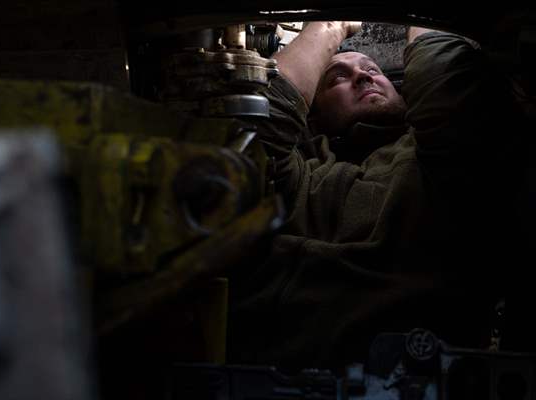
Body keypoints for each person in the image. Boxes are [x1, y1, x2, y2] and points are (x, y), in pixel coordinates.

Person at [227, 21, 530, 372]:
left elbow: (442, 75)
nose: (363, 76)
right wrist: (330, 27)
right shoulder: (303, 177)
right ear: (313, 114)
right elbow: (254, 133)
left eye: (372, 69)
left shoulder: (437, 160)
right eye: (336, 78)